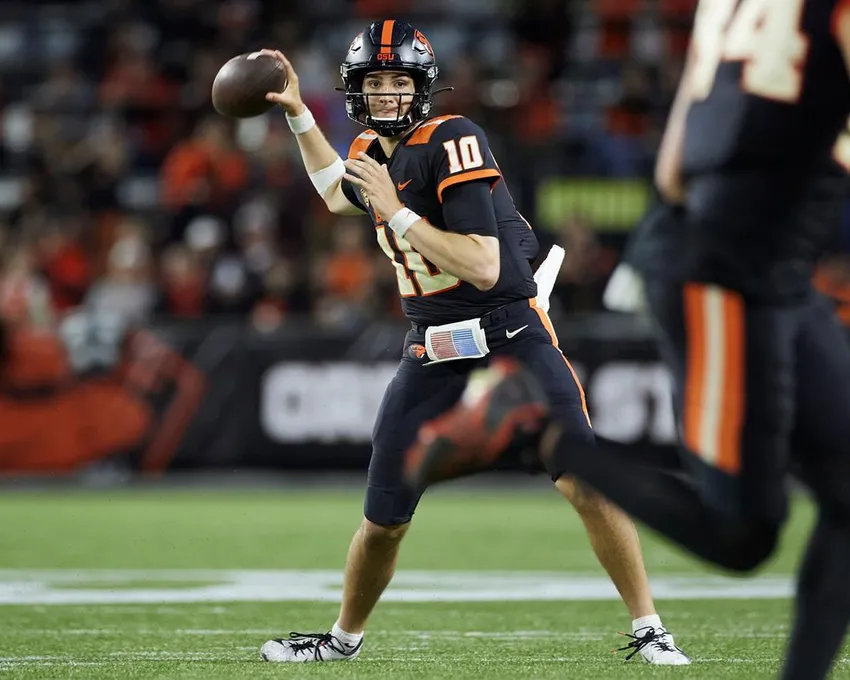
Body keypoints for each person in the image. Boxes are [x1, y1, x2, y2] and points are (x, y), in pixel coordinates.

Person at [404, 3, 850, 679]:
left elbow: (674, 165)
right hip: (731, 274)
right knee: (743, 531)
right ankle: (534, 427)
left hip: (735, 256)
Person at [257, 20, 690, 665]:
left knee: (585, 482)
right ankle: (342, 640)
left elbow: (483, 266)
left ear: (422, 87)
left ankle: (650, 627)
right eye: (374, 82)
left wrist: (399, 213)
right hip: (432, 349)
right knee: (383, 520)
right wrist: (298, 115)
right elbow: (333, 194)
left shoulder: (452, 138)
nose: (385, 95)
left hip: (510, 333)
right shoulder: (374, 148)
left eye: (397, 82)